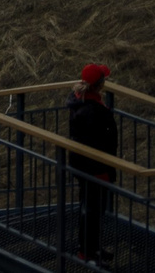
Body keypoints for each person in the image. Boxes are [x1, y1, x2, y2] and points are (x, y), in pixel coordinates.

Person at [65, 62, 119, 264]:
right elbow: (101, 141)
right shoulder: (94, 110)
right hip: (95, 167)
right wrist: (106, 166)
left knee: (89, 208)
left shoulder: (79, 102)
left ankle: (90, 248)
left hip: (83, 164)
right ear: (100, 85)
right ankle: (89, 251)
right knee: (94, 210)